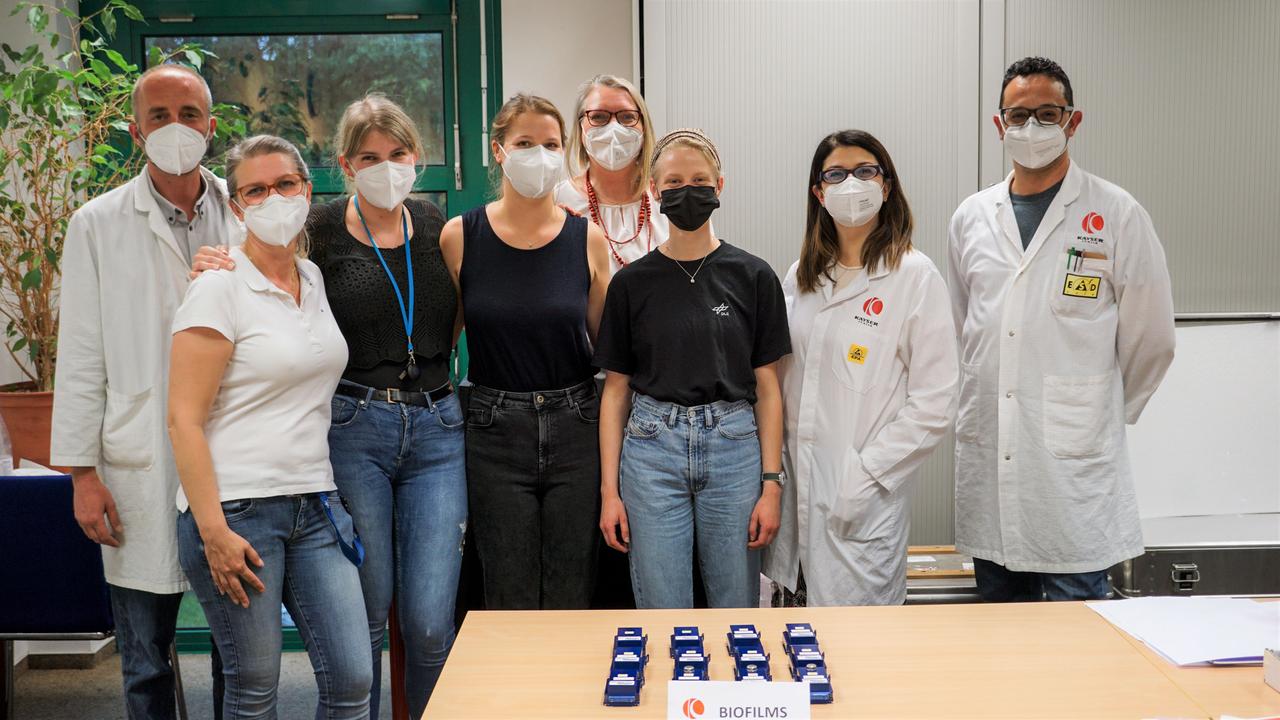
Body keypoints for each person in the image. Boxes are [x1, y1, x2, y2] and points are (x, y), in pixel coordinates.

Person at [189, 94, 463, 718]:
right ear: (343, 164)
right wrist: (215, 258)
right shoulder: (317, 228)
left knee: (427, 623)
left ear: (416, 157)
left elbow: (460, 314)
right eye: (369, 156)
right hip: (355, 428)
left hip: (437, 427)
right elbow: (261, 255)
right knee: (363, 616)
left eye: (397, 154)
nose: (385, 166)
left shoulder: (438, 225)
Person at [948, 56, 1175, 602]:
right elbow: (968, 332)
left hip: (1073, 476)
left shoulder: (1115, 214)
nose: (1032, 128)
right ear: (999, 125)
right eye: (1018, 115)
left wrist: (1098, 412)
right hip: (993, 462)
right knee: (1001, 647)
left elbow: (1154, 339)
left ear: (1072, 122)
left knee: (1081, 646)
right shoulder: (971, 218)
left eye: (1047, 114)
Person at [50, 63, 235, 720]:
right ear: (135, 131)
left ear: (211, 128)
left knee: (238, 650)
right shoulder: (97, 225)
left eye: (189, 115)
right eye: (158, 116)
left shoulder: (247, 213)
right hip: (140, 459)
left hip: (230, 456)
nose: (175, 128)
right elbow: (79, 359)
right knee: (146, 656)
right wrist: (81, 475)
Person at [169, 134, 372, 718]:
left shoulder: (312, 277)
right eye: (254, 190)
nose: (273, 198)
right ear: (237, 208)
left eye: (285, 184)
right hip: (237, 512)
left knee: (354, 679)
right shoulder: (218, 286)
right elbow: (183, 419)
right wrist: (212, 532)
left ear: (307, 192)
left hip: (315, 503)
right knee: (255, 687)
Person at [595, 128, 790, 609]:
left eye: (699, 180)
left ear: (719, 186)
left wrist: (771, 483)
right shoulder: (630, 284)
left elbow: (768, 388)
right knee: (663, 608)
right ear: (655, 191)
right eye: (675, 181)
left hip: (734, 449)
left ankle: (731, 688)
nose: (688, 190)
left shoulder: (754, 276)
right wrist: (609, 492)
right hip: (651, 451)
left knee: (734, 605)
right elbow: (615, 391)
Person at [762, 130, 958, 607]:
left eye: (865, 171)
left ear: (886, 186)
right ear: (819, 192)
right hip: (792, 499)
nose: (852, 183)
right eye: (836, 174)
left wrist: (865, 478)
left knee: (861, 657)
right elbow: (782, 385)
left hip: (858, 502)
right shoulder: (801, 277)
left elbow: (936, 403)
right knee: (793, 649)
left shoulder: (914, 276)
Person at [440, 94, 611, 609]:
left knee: (571, 592)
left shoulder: (589, 239)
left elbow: (609, 350)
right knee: (507, 593)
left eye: (551, 144)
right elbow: (442, 340)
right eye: (524, 143)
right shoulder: (460, 236)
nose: (539, 154)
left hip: (576, 424)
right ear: (499, 150)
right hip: (494, 430)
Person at [557, 74, 668, 272]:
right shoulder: (558, 202)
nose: (614, 128)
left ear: (644, 125)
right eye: (599, 116)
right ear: (580, 126)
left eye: (627, 117)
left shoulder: (668, 199)